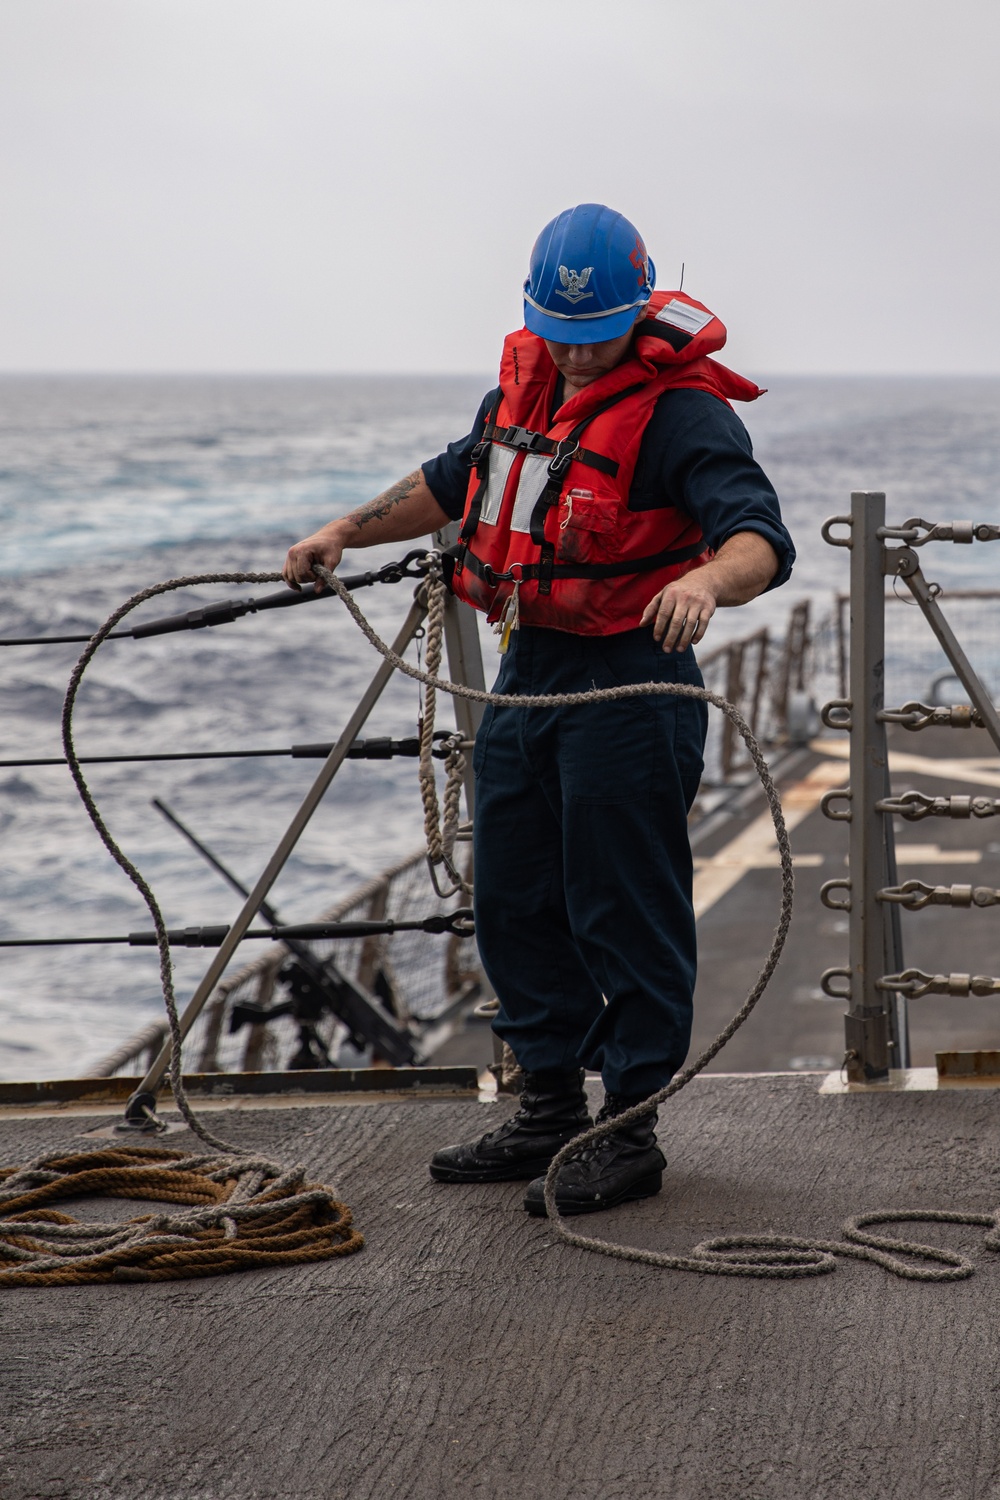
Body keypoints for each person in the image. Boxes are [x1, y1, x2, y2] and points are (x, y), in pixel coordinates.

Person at [283, 204, 794, 1217]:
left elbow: (761, 539)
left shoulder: (685, 412)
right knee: (513, 892)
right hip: (528, 674)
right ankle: (550, 1105)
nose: (574, 353)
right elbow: (451, 481)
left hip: (629, 682)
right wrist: (346, 529)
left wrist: (704, 581)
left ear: (637, 311)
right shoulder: (518, 390)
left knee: (623, 907)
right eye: (558, 335)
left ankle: (627, 1127)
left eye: (595, 334)